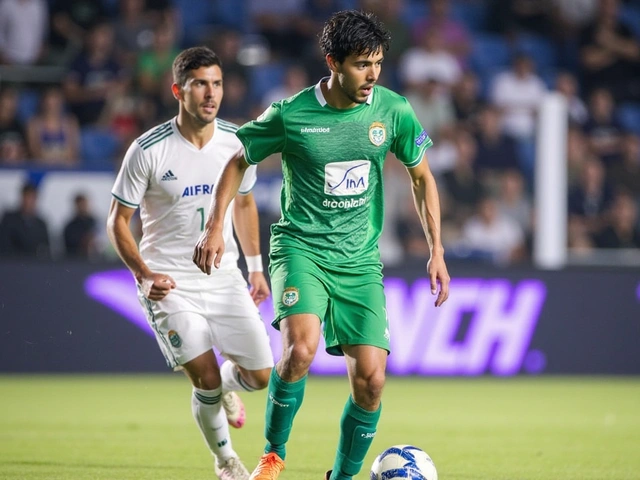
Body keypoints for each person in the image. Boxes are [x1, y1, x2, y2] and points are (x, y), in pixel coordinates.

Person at [193, 10, 450, 480]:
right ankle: (273, 456)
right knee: (300, 350)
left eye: (377, 64)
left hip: (359, 260)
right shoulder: (292, 114)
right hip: (301, 249)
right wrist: (215, 227)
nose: (372, 75)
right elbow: (236, 161)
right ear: (333, 62)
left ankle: (343, 476)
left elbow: (422, 178)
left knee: (371, 380)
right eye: (360, 64)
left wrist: (437, 250)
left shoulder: (393, 110)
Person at [106, 46, 274, 480]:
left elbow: (246, 203)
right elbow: (118, 222)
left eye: (216, 83)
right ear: (179, 90)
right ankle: (226, 461)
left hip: (225, 278)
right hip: (171, 283)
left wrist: (255, 266)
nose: (210, 93)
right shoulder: (147, 150)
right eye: (200, 83)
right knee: (205, 381)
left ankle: (227, 385)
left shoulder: (238, 142)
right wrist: (144, 275)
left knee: (260, 375)